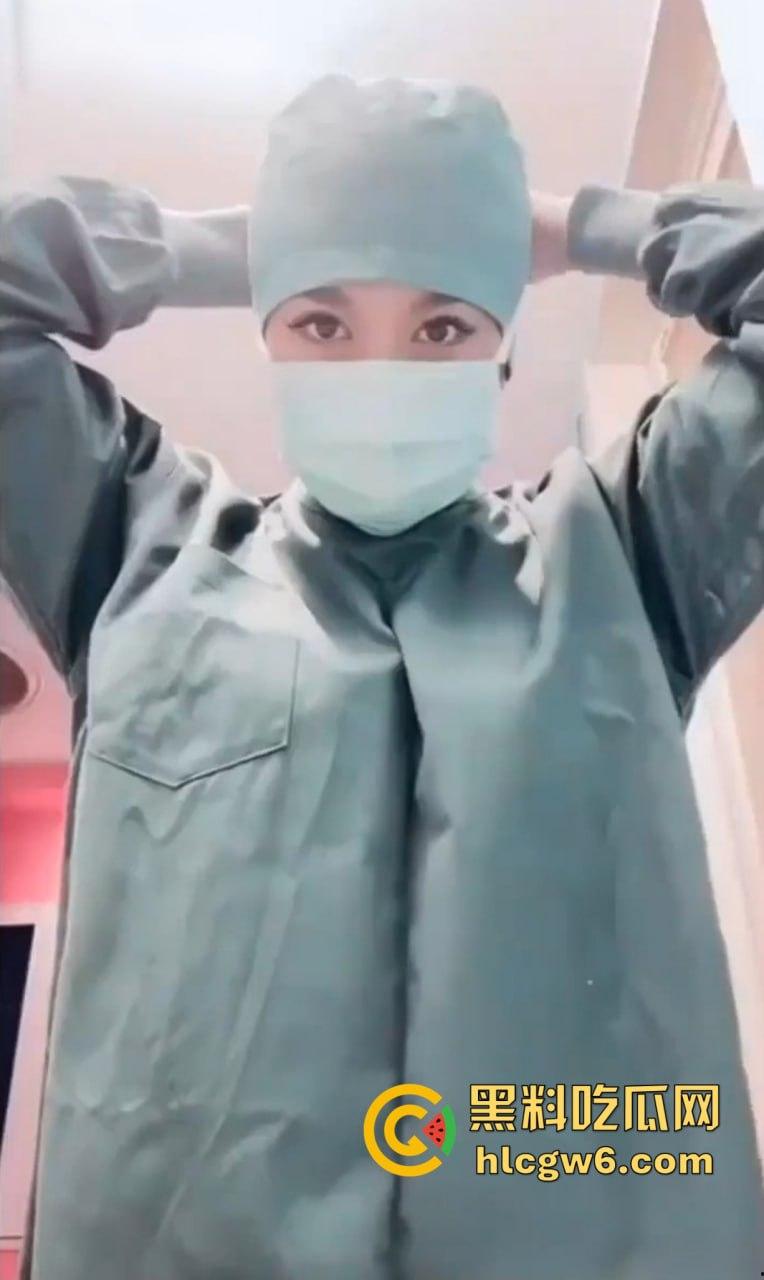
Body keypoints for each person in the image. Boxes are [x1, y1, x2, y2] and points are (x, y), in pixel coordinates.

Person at [1, 72, 763, 1280]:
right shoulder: (136, 552)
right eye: (321, 323)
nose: (379, 364)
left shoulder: (627, 554)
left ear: (502, 347)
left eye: (442, 325)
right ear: (265, 336)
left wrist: (576, 229)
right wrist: (237, 249)